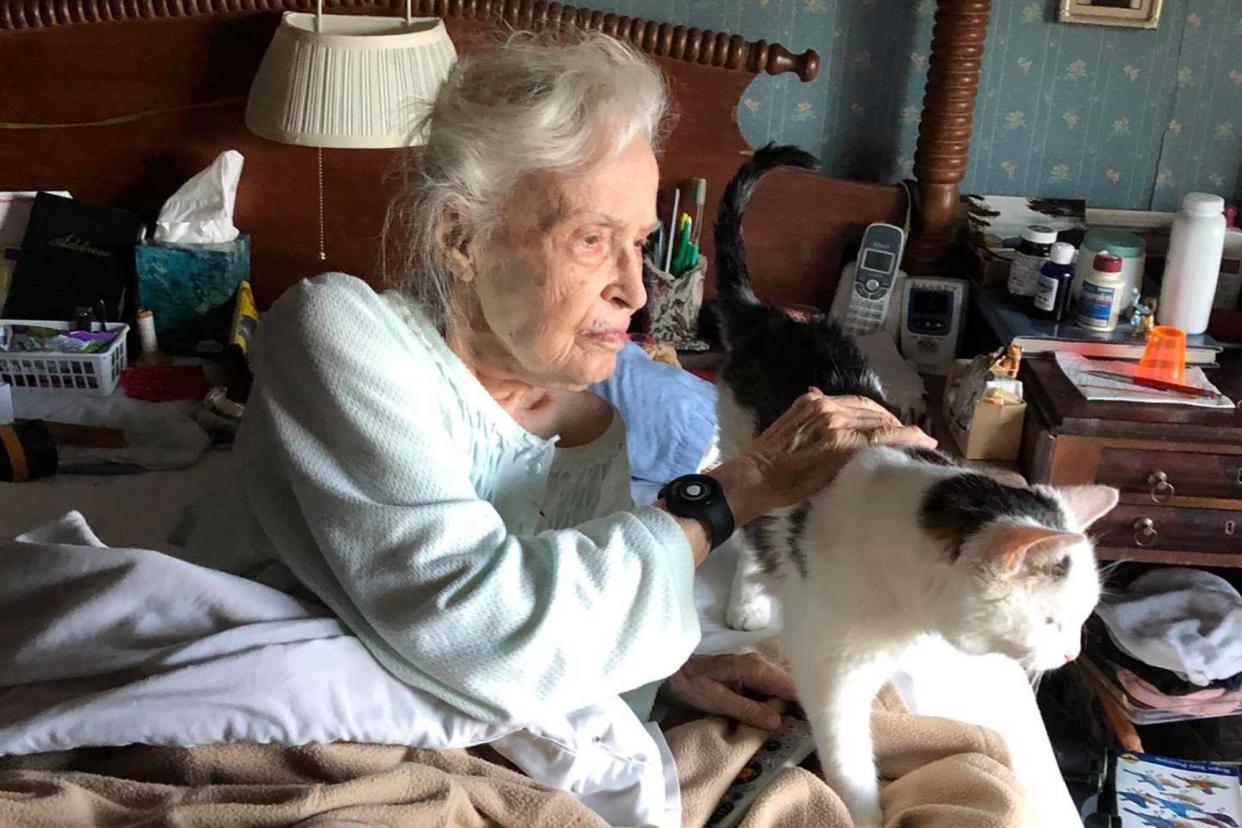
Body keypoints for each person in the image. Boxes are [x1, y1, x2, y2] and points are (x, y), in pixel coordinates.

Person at [183, 31, 933, 735]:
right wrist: (736, 490)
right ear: (460, 236)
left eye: (638, 243)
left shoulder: (586, 429)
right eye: (590, 239)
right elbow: (479, 630)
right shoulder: (337, 332)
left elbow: (552, 637)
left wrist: (663, 674)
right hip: (233, 697)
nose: (636, 291)